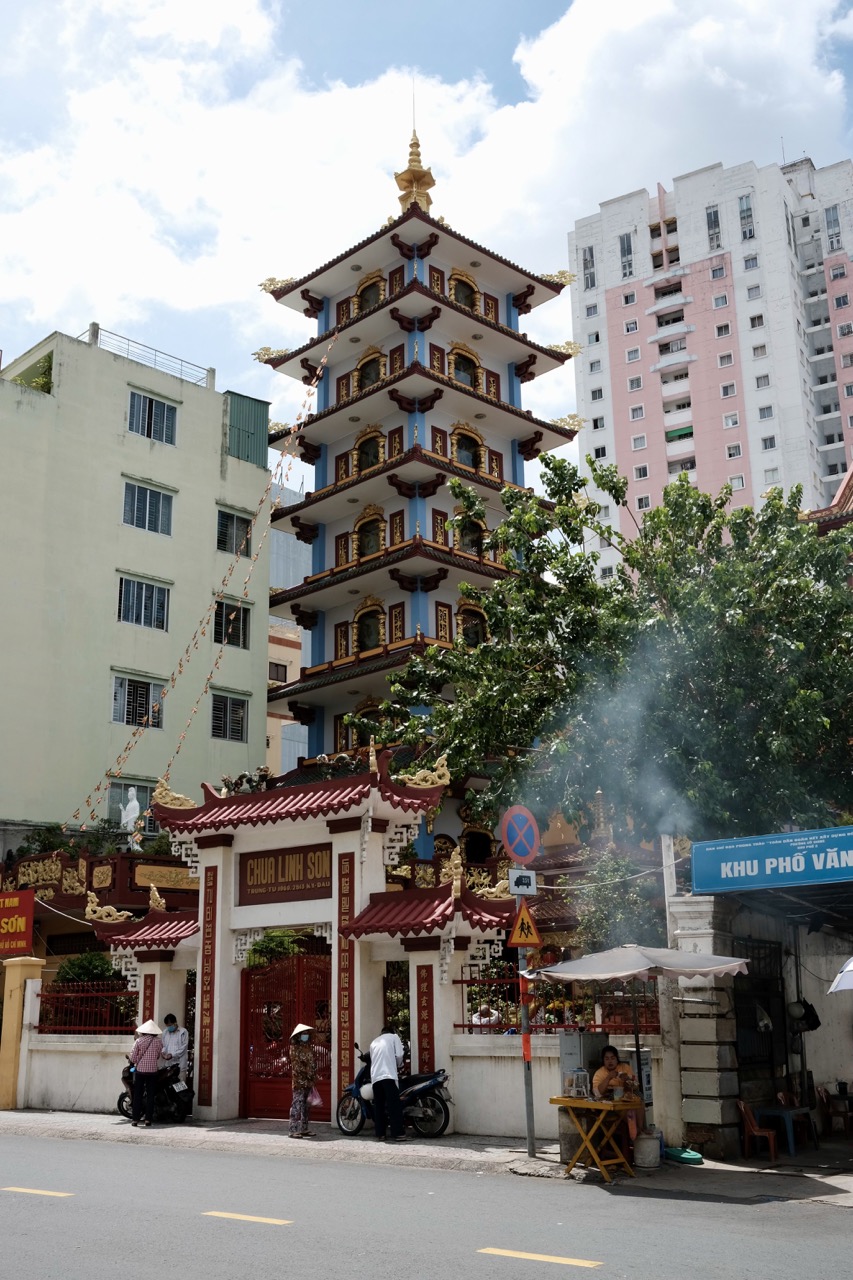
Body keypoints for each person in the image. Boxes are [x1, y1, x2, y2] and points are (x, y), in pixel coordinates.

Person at [592, 1045, 643, 1141]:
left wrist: (627, 1080)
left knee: (639, 1101)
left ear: (617, 1059)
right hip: (612, 1104)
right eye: (607, 1059)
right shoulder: (599, 1073)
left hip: (628, 1097)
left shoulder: (625, 1068)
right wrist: (608, 1078)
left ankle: (640, 1129)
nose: (610, 1061)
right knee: (625, 1111)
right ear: (603, 1060)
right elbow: (597, 1093)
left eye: (612, 1058)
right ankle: (636, 1131)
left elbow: (636, 1085)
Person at [369, 1024, 406, 1142]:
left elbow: (372, 1058)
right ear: (392, 1032)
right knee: (394, 1105)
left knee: (379, 1106)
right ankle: (398, 1134)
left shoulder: (374, 1042)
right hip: (388, 1075)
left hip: (376, 1077)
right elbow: (399, 1055)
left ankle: (380, 1134)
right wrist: (399, 1065)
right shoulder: (394, 1037)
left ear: (382, 1033)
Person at [128, 1019, 163, 1128]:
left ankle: (135, 1119)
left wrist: (136, 1060)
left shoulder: (139, 1041)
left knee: (138, 1095)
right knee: (150, 1096)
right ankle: (148, 1119)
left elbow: (133, 1057)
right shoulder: (158, 1041)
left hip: (140, 1071)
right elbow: (158, 1055)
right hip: (152, 1072)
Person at [288, 1023, 317, 1139]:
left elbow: (312, 1063)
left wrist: (313, 1076)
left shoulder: (308, 1048)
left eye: (307, 1034)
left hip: (309, 1081)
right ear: (299, 1036)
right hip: (299, 1082)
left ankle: (304, 1128)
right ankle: (293, 1130)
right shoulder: (294, 1048)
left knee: (306, 1106)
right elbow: (298, 1065)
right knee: (296, 1105)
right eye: (303, 1034)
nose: (306, 1036)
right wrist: (307, 1073)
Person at [160, 1013, 189, 1082]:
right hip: (168, 1065)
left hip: (180, 1064)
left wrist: (172, 1055)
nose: (169, 1027)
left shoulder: (183, 1032)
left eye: (170, 1025)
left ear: (175, 1023)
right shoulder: (165, 1032)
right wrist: (163, 1052)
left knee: (180, 1083)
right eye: (167, 1026)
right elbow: (164, 1045)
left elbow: (183, 1048)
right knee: (168, 1084)